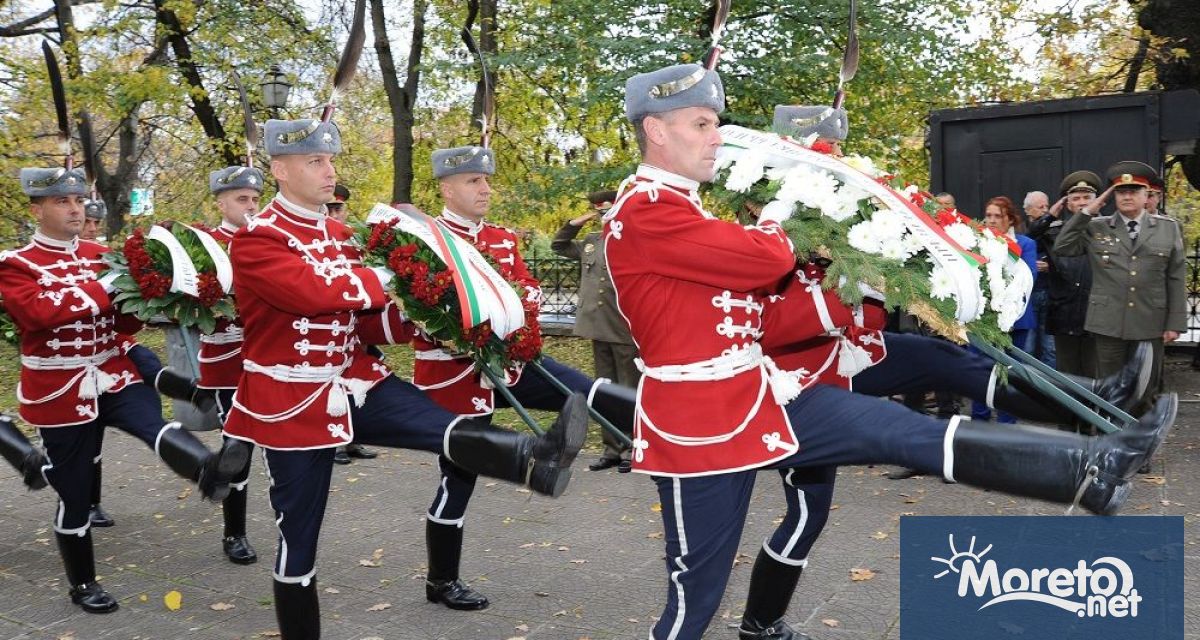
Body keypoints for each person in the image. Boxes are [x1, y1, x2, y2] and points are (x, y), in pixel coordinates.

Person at [605, 62, 1174, 640]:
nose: (716, 136)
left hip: (760, 393)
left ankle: (1085, 469)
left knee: (893, 426)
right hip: (699, 426)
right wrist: (794, 204)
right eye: (701, 124)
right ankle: (759, 622)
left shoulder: (683, 206)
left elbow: (756, 309)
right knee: (694, 598)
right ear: (656, 129)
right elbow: (767, 262)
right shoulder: (644, 210)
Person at [221, 116, 588, 640]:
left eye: (329, 160)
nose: (329, 172)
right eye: (314, 162)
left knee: (441, 427)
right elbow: (317, 294)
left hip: (354, 378)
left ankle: (534, 459)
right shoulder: (258, 239)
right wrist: (400, 269)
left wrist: (428, 310)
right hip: (291, 397)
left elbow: (367, 320)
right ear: (279, 170)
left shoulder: (340, 233)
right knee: (299, 540)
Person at [0, 166, 250, 613]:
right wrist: (104, 286)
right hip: (59, 386)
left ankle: (207, 470)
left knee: (149, 420)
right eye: (62, 202)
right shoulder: (16, 264)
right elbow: (39, 313)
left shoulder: (101, 254)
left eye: (78, 201)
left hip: (111, 371)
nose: (76, 209)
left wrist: (162, 299)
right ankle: (81, 584)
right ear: (37, 209)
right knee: (74, 493)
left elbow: (124, 321)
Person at [412, 144, 637, 611]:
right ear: (447, 188)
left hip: (513, 362)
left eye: (486, 180)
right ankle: (441, 581)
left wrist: (514, 318)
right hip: (455, 374)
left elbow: (525, 289)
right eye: (474, 181)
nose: (485, 189)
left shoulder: (499, 237)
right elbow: (420, 309)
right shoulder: (423, 240)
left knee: (585, 389)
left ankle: (653, 428)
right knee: (459, 478)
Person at [1054, 161, 1188, 406]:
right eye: (1121, 191)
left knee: (1146, 388)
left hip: (1150, 322)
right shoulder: (1096, 226)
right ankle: (1109, 438)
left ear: (1147, 195)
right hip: (1108, 323)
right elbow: (1063, 247)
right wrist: (1088, 211)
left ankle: (1141, 438)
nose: (1127, 196)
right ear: (1112, 195)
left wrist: (1175, 323)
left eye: (1134, 191)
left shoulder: (1168, 229)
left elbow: (1176, 277)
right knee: (1108, 387)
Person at [198, 164, 266, 564]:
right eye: (242, 199)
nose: (251, 206)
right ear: (221, 202)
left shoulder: (267, 240)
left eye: (256, 199)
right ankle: (234, 533)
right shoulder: (205, 247)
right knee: (238, 445)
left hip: (270, 359)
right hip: (228, 361)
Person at [551, 189, 637, 470]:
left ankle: (631, 448)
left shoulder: (631, 242)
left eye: (607, 212)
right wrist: (575, 223)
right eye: (599, 213)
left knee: (627, 389)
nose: (603, 217)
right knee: (604, 390)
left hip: (623, 328)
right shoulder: (591, 242)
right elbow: (558, 246)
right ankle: (611, 449)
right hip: (597, 326)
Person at [322, 182, 377, 465]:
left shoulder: (355, 240)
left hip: (358, 326)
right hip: (327, 329)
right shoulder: (315, 241)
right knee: (332, 386)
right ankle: (334, 444)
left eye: (338, 208)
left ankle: (353, 440)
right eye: (329, 208)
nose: (334, 213)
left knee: (357, 384)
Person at [970, 196, 1038, 423]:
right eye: (988, 215)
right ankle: (979, 419)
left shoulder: (1025, 244)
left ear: (1010, 219)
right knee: (980, 371)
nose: (991, 220)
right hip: (982, 320)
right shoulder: (975, 242)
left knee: (1009, 373)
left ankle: (1006, 424)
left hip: (1015, 321)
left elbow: (1028, 278)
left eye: (997, 216)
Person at [1029, 171, 1099, 377]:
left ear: (1097, 202)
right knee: (1067, 376)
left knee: (1094, 374)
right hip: (1064, 313)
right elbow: (1029, 237)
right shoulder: (1054, 231)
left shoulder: (1107, 229)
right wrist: (1050, 216)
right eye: (1075, 198)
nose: (1081, 203)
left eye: (1087, 198)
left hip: (1095, 314)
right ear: (1067, 204)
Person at [1022, 190, 1055, 366]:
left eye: (1047, 206)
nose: (1045, 210)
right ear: (1028, 210)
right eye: (1040, 207)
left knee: (1050, 347)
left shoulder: (1055, 229)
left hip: (1049, 293)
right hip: (1029, 296)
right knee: (1027, 346)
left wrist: (1051, 265)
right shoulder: (1020, 230)